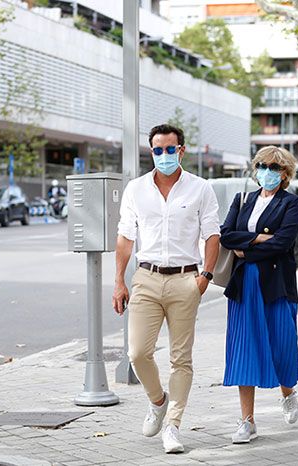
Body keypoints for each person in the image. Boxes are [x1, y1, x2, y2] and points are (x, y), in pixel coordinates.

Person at [112, 124, 220, 454]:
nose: (164, 156)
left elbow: (212, 235)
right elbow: (125, 238)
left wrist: (205, 276)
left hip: (186, 280)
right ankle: (158, 400)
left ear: (181, 151)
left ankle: (172, 425)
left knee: (181, 359)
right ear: (151, 152)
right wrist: (118, 281)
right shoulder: (136, 189)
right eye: (157, 150)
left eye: (170, 149)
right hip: (145, 278)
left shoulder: (200, 189)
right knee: (138, 353)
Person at [219, 146, 298, 444]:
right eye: (263, 166)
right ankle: (247, 421)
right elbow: (226, 235)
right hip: (245, 285)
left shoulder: (291, 203)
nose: (267, 171)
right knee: (245, 348)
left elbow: (283, 243)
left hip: (276, 284)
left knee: (282, 344)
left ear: (284, 173)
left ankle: (287, 391)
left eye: (274, 167)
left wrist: (247, 247)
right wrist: (259, 238)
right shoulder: (242, 200)